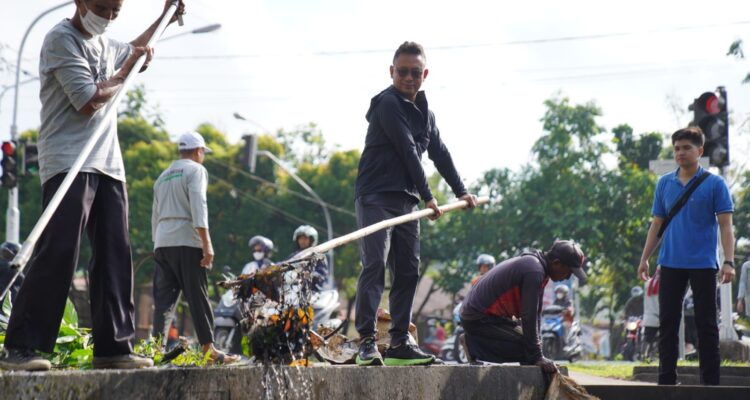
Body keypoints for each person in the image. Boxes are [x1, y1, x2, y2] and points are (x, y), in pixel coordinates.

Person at [0, 0, 185, 372]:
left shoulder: (104, 43)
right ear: (81, 2)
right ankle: (22, 346)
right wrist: (127, 71)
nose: (108, 16)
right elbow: (88, 100)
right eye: (102, 7)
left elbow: (133, 49)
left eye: (115, 10)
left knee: (116, 252)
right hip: (69, 159)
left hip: (108, 163)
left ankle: (113, 347)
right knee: (60, 250)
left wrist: (163, 19)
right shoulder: (61, 39)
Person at [353, 41, 478, 367]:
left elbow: (440, 153)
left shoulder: (426, 114)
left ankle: (399, 343)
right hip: (376, 196)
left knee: (408, 269)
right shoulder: (387, 104)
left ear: (424, 74)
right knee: (375, 263)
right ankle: (367, 341)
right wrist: (430, 196)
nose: (409, 78)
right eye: (402, 72)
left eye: (414, 73)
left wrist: (461, 191)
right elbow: (408, 150)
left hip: (407, 203)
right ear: (392, 72)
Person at [637, 126, 735, 386]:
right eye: (677, 148)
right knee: (667, 323)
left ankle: (710, 384)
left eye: (686, 148)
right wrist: (645, 258)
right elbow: (657, 224)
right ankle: (666, 381)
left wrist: (729, 261)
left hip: (704, 264)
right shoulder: (664, 183)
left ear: (699, 151)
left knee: (707, 325)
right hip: (669, 263)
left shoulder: (715, 184)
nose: (680, 152)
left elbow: (726, 225)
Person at [151, 131, 239, 365]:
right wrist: (206, 243)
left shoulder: (162, 176)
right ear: (199, 151)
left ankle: (154, 349)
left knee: (163, 302)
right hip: (186, 240)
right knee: (197, 295)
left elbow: (155, 216)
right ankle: (209, 349)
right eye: (203, 153)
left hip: (162, 242)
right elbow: (198, 205)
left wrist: (156, 245)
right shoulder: (195, 170)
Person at [460, 240, 587, 373]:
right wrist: (536, 356)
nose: (567, 277)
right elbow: (528, 315)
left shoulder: (538, 268)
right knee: (527, 350)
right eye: (569, 272)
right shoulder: (534, 271)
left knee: (532, 348)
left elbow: (536, 312)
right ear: (556, 263)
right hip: (478, 318)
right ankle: (472, 344)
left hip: (491, 317)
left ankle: (476, 342)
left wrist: (539, 353)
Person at [287, 225, 328, 292]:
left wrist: (309, 274)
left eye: (305, 238)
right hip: (293, 291)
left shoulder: (319, 257)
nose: (302, 241)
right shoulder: (294, 256)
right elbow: (283, 265)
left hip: (312, 291)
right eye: (301, 238)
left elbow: (321, 275)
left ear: (311, 240)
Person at [642, 267, 660, 359]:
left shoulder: (647, 284)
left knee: (647, 338)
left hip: (650, 316)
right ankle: (655, 355)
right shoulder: (665, 284)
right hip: (660, 316)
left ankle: (643, 355)